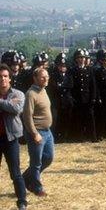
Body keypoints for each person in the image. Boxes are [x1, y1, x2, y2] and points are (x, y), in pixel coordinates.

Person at [22, 68, 54, 197]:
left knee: (49, 158)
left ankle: (25, 178)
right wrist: (34, 133)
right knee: (36, 163)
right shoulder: (31, 94)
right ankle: (37, 187)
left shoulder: (43, 90)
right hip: (36, 132)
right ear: (35, 78)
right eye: (42, 77)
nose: (46, 79)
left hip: (47, 131)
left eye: (47, 76)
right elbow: (27, 116)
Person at [0, 63, 28, 209]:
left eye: (5, 76)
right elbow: (9, 106)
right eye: (0, 77)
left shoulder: (18, 94)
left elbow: (16, 108)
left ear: (10, 78)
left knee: (15, 172)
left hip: (10, 139)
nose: (2, 79)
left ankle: (22, 201)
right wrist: (6, 104)